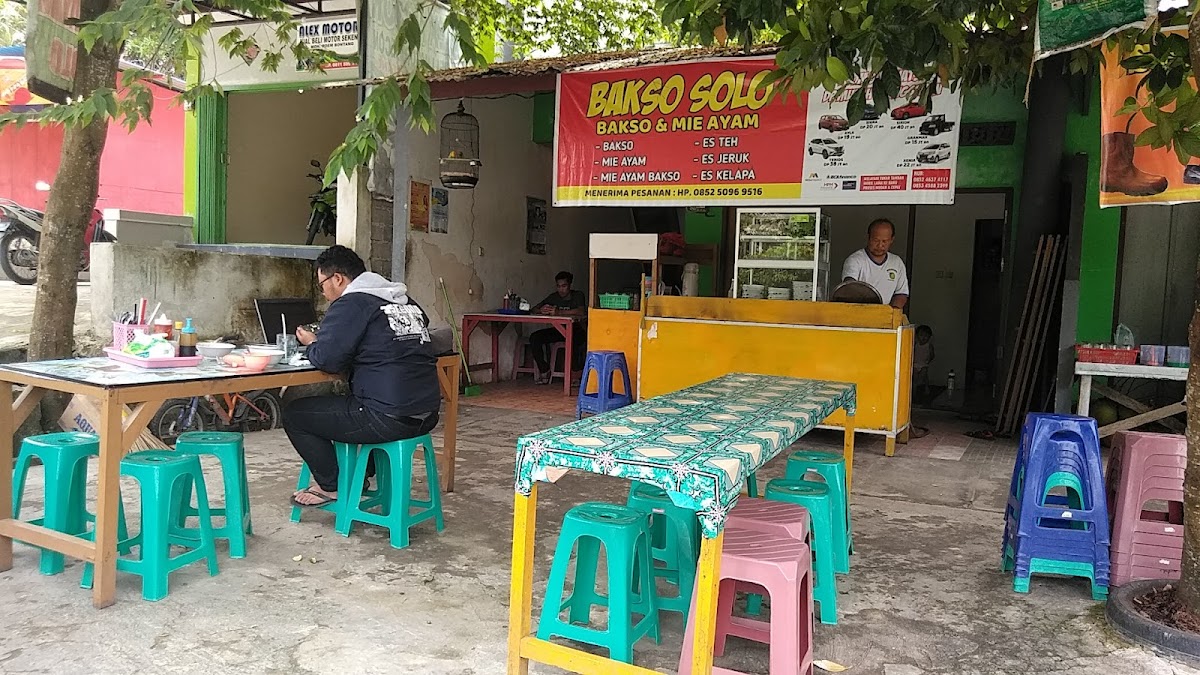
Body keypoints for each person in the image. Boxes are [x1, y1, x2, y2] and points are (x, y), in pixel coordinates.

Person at [286, 245, 441, 507]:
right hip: (426, 414)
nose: (324, 295)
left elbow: (327, 359)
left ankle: (333, 486)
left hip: (387, 417)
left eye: (322, 285)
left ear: (338, 279)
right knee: (350, 402)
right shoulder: (403, 300)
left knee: (295, 415)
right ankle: (361, 474)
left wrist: (313, 342)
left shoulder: (352, 302)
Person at [529, 271, 587, 385]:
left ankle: (576, 373)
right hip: (559, 330)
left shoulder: (578, 295)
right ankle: (544, 370)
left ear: (570, 285)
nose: (561, 289)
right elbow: (534, 308)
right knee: (535, 338)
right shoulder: (554, 297)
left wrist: (560, 312)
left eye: (564, 286)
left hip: (577, 330)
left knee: (575, 341)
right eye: (558, 286)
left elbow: (581, 311)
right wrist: (541, 310)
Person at [841, 218, 910, 310]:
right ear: (869, 237)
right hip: (858, 313)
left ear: (892, 240)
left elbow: (901, 294)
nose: (880, 245)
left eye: (884, 241)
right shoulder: (855, 260)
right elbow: (849, 288)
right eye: (876, 240)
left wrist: (891, 313)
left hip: (885, 316)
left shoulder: (897, 262)